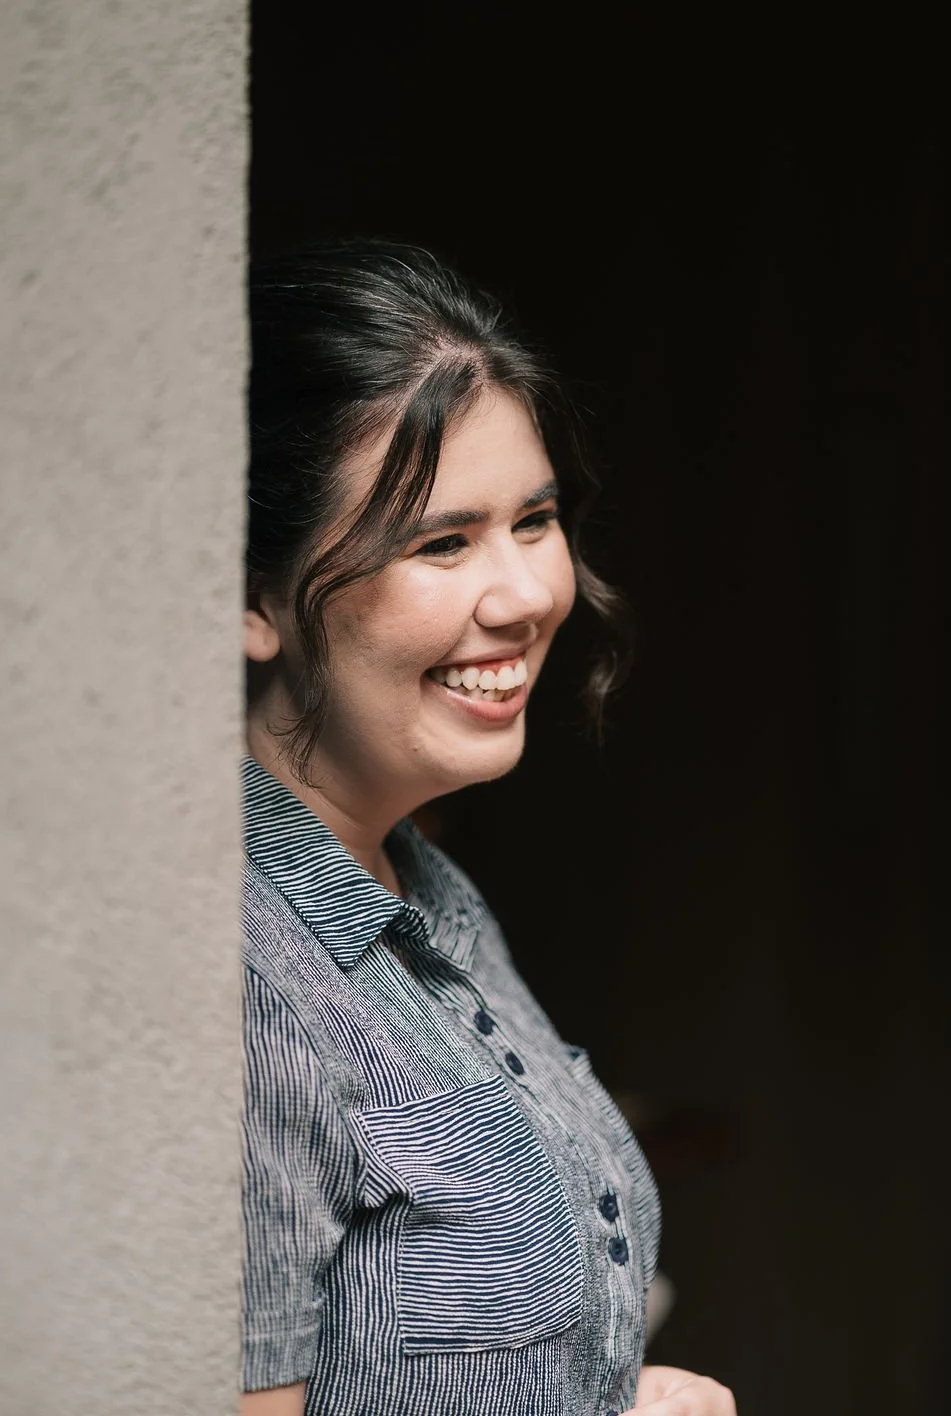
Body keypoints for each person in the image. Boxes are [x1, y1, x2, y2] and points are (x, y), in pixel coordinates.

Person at [239, 240, 736, 1416]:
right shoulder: (240, 973)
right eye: (440, 541)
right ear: (252, 597)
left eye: (535, 519)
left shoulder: (423, 894)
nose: (522, 594)